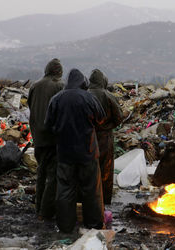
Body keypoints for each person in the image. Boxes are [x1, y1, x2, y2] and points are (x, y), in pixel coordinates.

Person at [45, 69, 106, 233]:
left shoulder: (56, 99)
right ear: (82, 82)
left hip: (65, 153)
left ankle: (65, 226)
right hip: (88, 152)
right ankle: (93, 225)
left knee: (65, 189)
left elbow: (48, 124)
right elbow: (101, 118)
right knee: (91, 190)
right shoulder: (89, 98)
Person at [28, 58, 64, 220]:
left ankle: (38, 207)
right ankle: (46, 211)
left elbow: (31, 107)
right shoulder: (59, 86)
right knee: (53, 175)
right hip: (52, 137)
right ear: (58, 71)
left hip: (37, 136)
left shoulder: (34, 86)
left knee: (41, 172)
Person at [88, 69, 123, 204]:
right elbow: (119, 117)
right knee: (106, 171)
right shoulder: (108, 95)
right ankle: (104, 200)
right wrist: (108, 126)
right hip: (105, 137)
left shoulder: (85, 94)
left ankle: (89, 198)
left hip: (87, 137)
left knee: (89, 169)